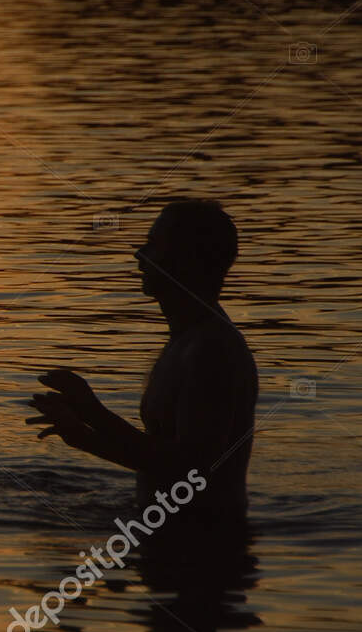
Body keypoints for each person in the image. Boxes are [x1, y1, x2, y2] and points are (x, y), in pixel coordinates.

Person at [28, 199, 258, 525]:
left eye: (152, 245)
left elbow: (189, 470)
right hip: (171, 536)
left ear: (185, 261)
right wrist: (81, 435)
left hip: (205, 546)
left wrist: (93, 412)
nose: (139, 255)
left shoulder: (212, 350)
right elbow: (162, 457)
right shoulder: (186, 340)